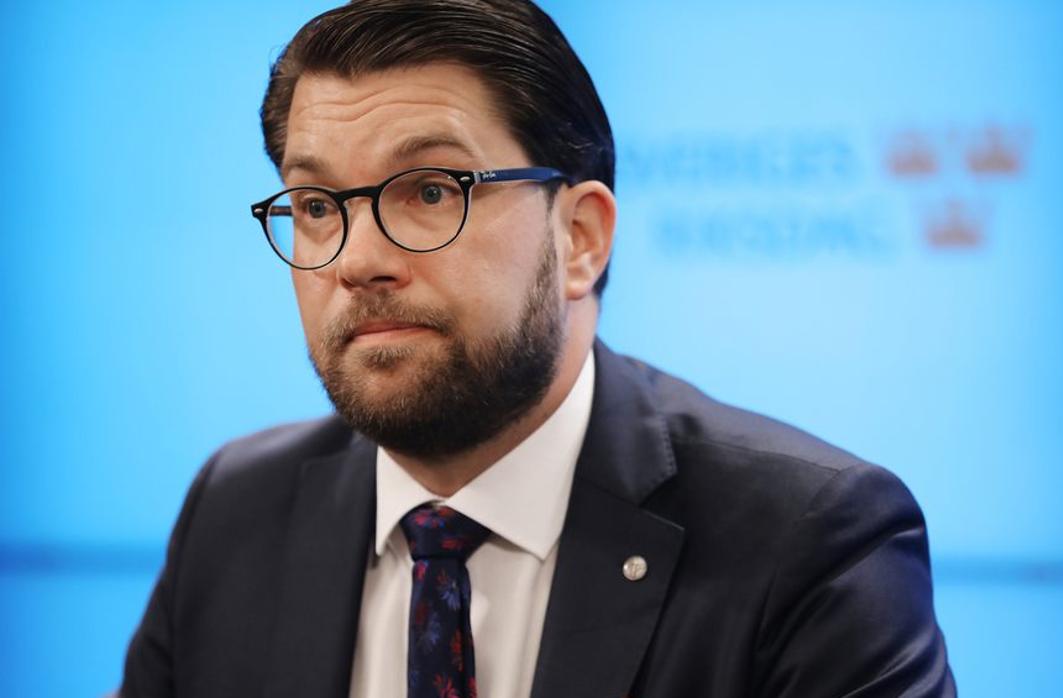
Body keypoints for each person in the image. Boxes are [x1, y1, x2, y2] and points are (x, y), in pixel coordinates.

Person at [120, 1, 956, 696]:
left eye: (430, 191)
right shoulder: (235, 513)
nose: (357, 260)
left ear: (580, 237)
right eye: (314, 206)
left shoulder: (810, 542)